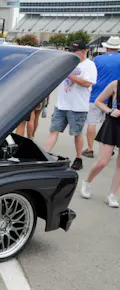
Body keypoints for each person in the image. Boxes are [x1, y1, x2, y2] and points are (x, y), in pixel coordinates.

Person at [45, 41, 97, 171]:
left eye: (74, 51)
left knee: (77, 133)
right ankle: (45, 154)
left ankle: (78, 158)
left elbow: (87, 83)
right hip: (62, 104)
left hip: (78, 106)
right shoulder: (67, 62)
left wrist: (69, 75)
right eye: (70, 50)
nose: (72, 53)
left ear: (83, 51)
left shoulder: (89, 65)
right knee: (54, 130)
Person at [80, 79, 120, 207]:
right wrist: (110, 111)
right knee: (102, 162)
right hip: (113, 125)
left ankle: (112, 194)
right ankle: (87, 182)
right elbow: (98, 101)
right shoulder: (116, 84)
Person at [83, 36, 120, 158]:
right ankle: (109, 148)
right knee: (110, 123)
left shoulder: (97, 59)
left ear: (107, 47)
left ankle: (90, 149)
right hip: (114, 96)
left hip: (96, 94)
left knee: (91, 122)